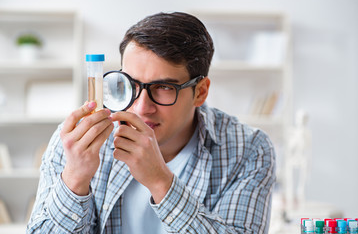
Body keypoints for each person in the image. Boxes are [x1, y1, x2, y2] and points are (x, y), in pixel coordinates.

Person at [27, 12, 276, 234]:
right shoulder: (78, 141)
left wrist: (160, 182)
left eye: (164, 87)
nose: (142, 107)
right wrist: (74, 180)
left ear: (200, 92)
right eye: (131, 84)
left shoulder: (249, 149)